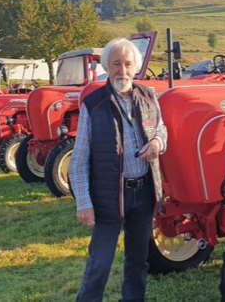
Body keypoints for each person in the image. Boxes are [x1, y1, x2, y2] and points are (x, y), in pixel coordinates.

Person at [69, 38, 167, 302]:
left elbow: (161, 129)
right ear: (106, 67)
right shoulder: (93, 104)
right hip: (108, 197)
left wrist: (157, 143)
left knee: (138, 262)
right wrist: (83, 202)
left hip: (143, 193)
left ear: (135, 67)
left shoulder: (149, 96)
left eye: (127, 64)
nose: (122, 70)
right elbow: (79, 159)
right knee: (99, 264)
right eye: (116, 64)